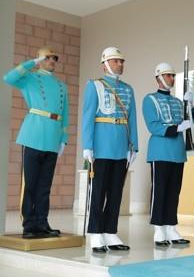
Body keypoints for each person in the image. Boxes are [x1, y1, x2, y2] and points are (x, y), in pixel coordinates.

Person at [3, 47, 68, 239]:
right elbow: (8, 78)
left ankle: (42, 222)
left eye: (54, 58)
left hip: (53, 137)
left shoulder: (61, 86)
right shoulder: (30, 78)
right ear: (40, 59)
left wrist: (63, 139)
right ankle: (29, 225)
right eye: (48, 57)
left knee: (44, 186)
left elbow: (65, 115)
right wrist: (33, 61)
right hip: (33, 134)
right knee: (29, 184)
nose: (52, 61)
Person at [82, 46, 138, 253]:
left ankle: (110, 231)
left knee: (116, 192)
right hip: (101, 144)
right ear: (105, 63)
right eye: (116, 61)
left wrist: (134, 146)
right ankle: (96, 232)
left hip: (121, 146)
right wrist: (87, 146)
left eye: (122, 61)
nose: (120, 64)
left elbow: (131, 119)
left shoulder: (128, 89)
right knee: (98, 191)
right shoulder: (94, 86)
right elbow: (88, 116)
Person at [142, 62, 191, 246]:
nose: (171, 78)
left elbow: (188, 120)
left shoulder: (178, 102)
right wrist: (176, 128)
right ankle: (158, 228)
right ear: (159, 78)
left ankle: (171, 226)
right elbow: (153, 125)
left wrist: (190, 103)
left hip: (177, 151)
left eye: (172, 75)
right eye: (168, 75)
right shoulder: (150, 99)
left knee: (173, 191)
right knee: (160, 191)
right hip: (160, 150)